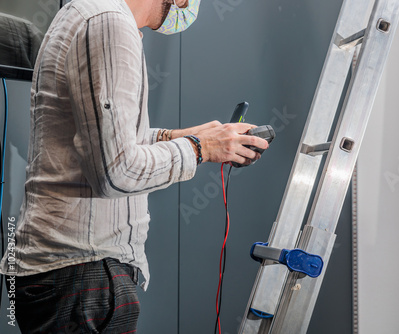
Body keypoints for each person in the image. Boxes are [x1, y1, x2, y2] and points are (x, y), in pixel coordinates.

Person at [0, 0, 269, 332]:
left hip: (70, 275)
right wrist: (202, 148)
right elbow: (116, 171)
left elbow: (104, 138)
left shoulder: (87, 13)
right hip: (83, 273)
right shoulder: (109, 23)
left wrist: (184, 136)